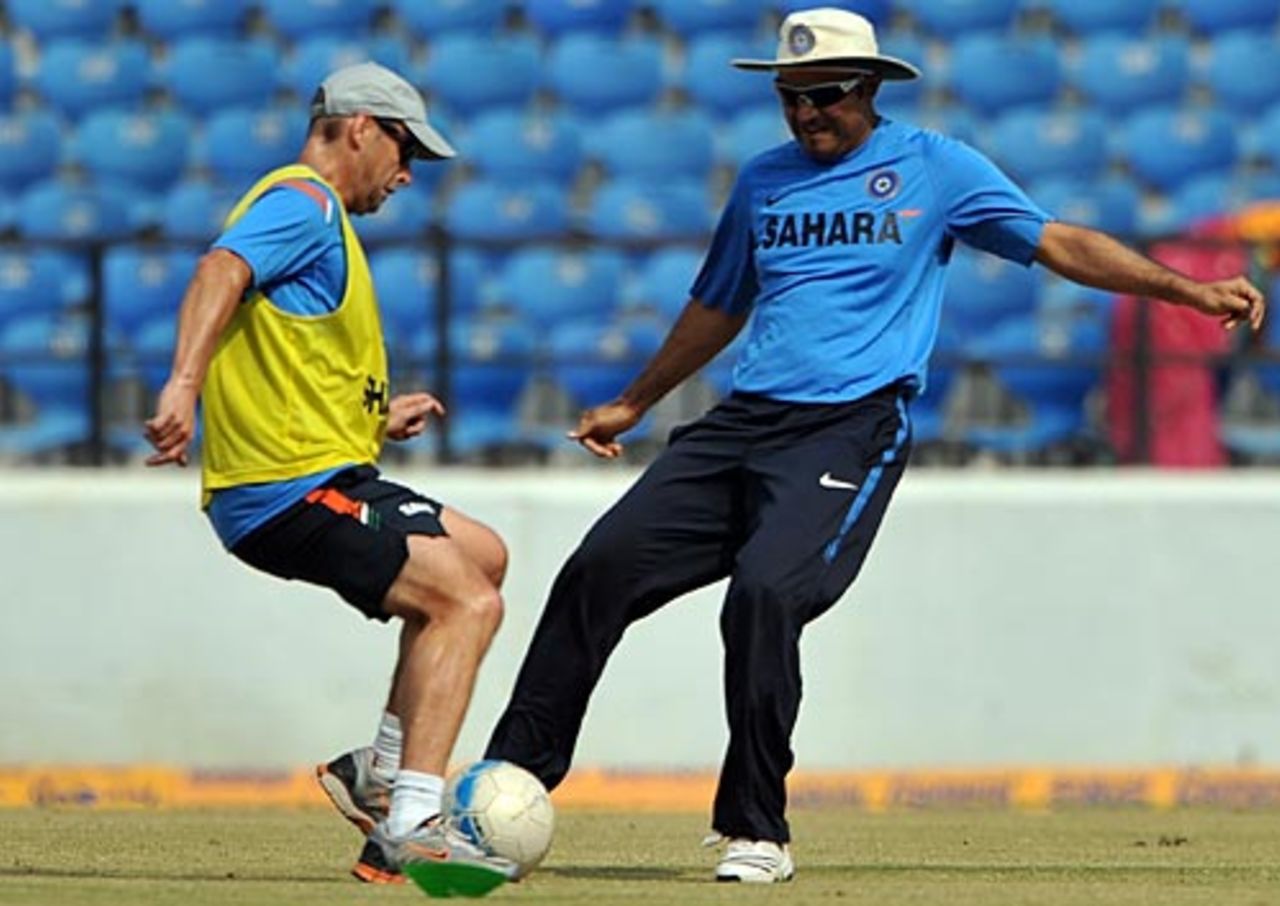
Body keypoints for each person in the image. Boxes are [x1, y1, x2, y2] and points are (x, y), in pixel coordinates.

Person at [483, 6, 1268, 885]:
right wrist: (632, 402)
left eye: (824, 97)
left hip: (851, 425)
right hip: (742, 423)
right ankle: (506, 788)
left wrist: (1186, 293)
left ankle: (756, 829)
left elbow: (1058, 243)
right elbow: (717, 305)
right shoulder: (763, 182)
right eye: (791, 98)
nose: (807, 114)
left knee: (763, 594)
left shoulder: (937, 166)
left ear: (869, 88)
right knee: (598, 568)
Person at [143, 62, 517, 887]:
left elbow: (280, 352)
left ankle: (380, 770)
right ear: (360, 129)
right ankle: (410, 824)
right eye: (405, 149)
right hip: (284, 489)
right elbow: (218, 273)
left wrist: (372, 417)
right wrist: (182, 384)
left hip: (319, 466)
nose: (408, 173)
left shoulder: (315, 222)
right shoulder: (303, 205)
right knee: (467, 599)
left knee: (484, 555)